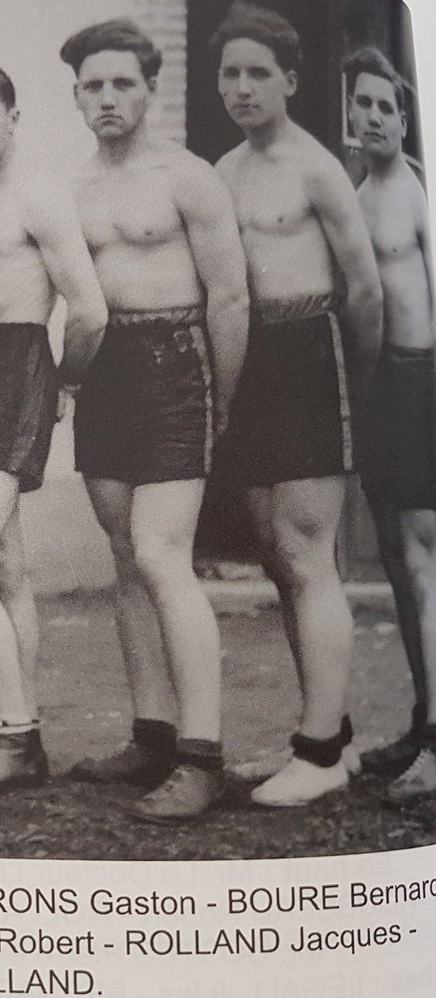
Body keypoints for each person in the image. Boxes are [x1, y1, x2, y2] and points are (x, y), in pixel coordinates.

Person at [62, 20, 250, 821]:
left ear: (148, 88)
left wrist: (221, 403)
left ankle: (202, 758)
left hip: (179, 362)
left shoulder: (189, 177)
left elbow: (231, 298)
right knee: (124, 557)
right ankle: (152, 737)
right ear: (76, 95)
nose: (107, 98)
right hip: (107, 371)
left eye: (122, 84)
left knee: (160, 552)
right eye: (93, 86)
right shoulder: (78, 186)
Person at [213, 3, 383, 807]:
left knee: (309, 553)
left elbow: (366, 288)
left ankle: (317, 753)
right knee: (280, 557)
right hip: (253, 365)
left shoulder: (315, 167)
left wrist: (363, 382)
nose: (241, 87)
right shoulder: (222, 172)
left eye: (257, 73)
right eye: (229, 73)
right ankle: (329, 739)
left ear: (289, 79)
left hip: (313, 352)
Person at [0, 64, 107, 793]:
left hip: (17, 367)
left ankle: (17, 735)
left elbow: (89, 308)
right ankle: (15, 727)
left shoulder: (39, 197)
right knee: (2, 568)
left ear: (13, 116)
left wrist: (64, 383)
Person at [345, 47, 436, 802]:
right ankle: (421, 722)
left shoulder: (414, 195)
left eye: (386, 107)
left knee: (422, 563)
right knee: (402, 573)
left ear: (406, 120)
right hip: (378, 392)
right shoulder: (358, 190)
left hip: (420, 384)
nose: (372, 116)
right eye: (362, 103)